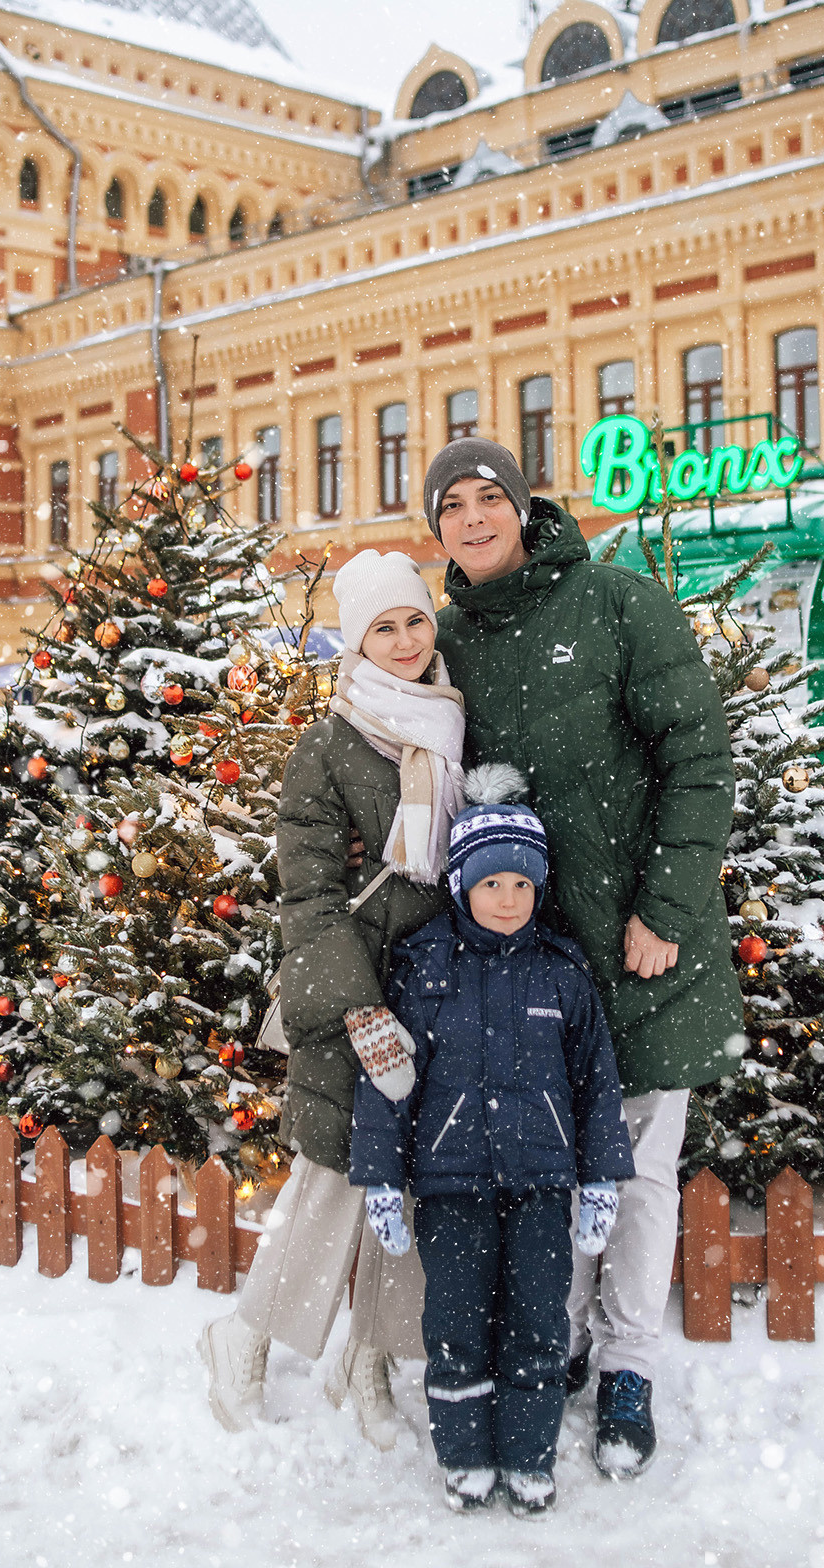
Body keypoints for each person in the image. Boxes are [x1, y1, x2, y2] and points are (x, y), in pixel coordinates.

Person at [421, 437, 740, 1481]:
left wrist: (667, 908)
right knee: (546, 1171)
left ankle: (631, 1368)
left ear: (523, 505)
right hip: (529, 969)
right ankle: (553, 1345)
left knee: (641, 1176)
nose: (472, 520)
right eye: (450, 507)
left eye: (488, 499)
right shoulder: (448, 643)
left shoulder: (616, 602)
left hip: (643, 952)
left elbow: (696, 755)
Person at [198, 549, 464, 1445]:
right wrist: (358, 1008)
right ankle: (244, 1336)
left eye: (413, 621)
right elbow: (308, 891)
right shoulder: (331, 740)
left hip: (436, 989)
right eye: (381, 628)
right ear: (355, 641)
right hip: (356, 988)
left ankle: (372, 1358)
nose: (402, 641)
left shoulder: (452, 721)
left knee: (418, 1182)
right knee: (337, 1176)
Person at [350, 773, 634, 1516]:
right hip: (451, 1187)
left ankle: (529, 1455)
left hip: (542, 1185)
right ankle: (466, 1455)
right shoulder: (423, 968)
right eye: (490, 883)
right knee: (455, 1324)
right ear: (460, 886)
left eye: (520, 883)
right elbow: (386, 1080)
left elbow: (595, 1083)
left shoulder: (563, 973)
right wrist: (382, 1177)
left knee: (540, 1322)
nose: (507, 900)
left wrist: (601, 1177)